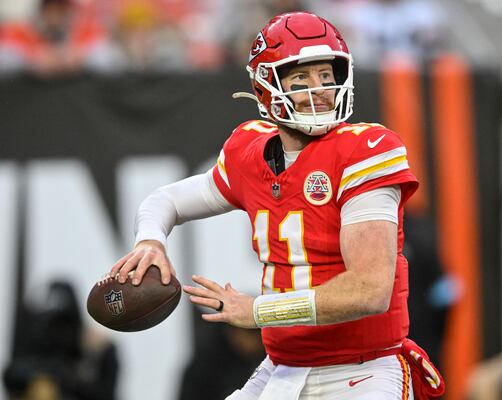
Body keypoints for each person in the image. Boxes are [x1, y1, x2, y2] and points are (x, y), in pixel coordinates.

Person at [110, 12, 445, 400]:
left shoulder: (364, 151)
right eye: (300, 78)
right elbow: (165, 200)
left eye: (325, 76)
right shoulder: (249, 153)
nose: (319, 89)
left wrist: (257, 311)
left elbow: (369, 290)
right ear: (267, 86)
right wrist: (150, 241)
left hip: (362, 370)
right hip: (284, 367)